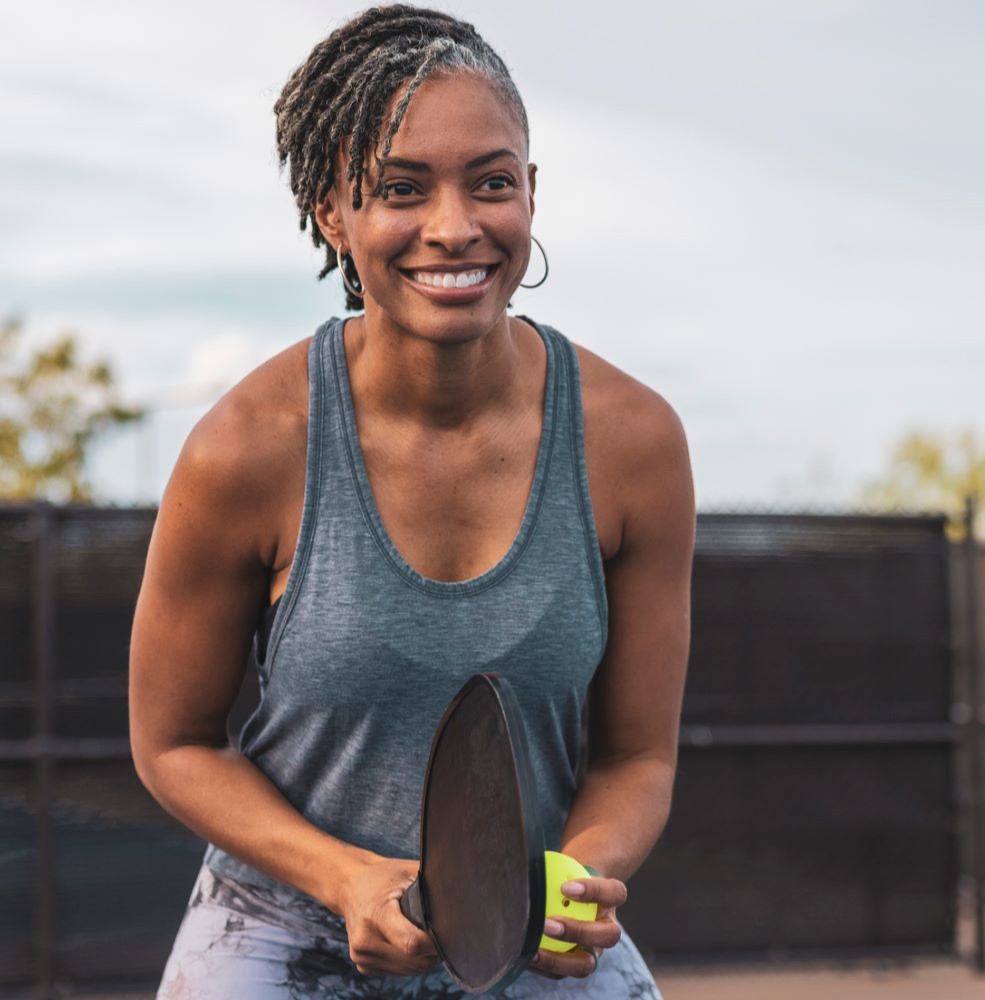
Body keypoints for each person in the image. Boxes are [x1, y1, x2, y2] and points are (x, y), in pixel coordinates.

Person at [128, 5, 694, 998]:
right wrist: (345, 877)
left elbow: (638, 754)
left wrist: (581, 872)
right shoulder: (246, 447)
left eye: (491, 181)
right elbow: (173, 742)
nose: (454, 226)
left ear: (530, 192)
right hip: (285, 919)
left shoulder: (634, 441)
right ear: (331, 212)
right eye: (400, 188)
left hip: (519, 921)